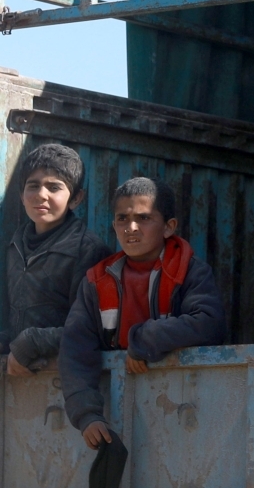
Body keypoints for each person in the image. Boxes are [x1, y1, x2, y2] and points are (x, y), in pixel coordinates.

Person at [60, 177, 227, 449]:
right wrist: (87, 415)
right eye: (122, 219)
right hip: (118, 416)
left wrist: (142, 341)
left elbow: (209, 324)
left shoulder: (189, 271)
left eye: (144, 218)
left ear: (168, 227)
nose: (131, 228)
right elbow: (75, 348)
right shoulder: (96, 281)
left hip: (185, 414)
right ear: (113, 225)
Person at [2, 144, 112, 377]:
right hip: (19, 376)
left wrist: (31, 342)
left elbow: (93, 329)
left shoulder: (88, 250)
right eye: (33, 186)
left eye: (54, 187)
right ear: (21, 195)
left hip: (64, 379)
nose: (41, 194)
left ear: (76, 199)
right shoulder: (14, 246)